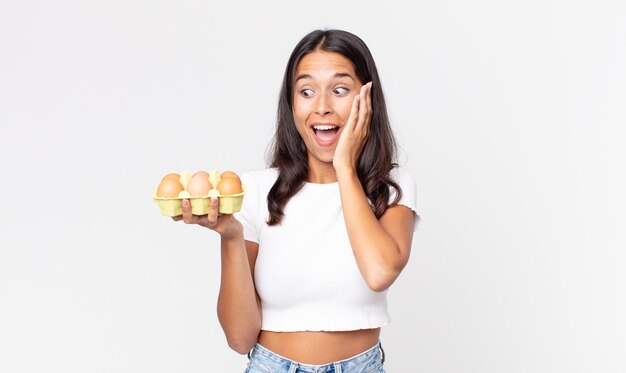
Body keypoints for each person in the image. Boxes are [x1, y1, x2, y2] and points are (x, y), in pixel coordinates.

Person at [172, 29, 419, 372]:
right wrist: (230, 236)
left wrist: (344, 167)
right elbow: (240, 339)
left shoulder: (390, 187)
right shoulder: (255, 191)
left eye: (340, 90)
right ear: (290, 104)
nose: (322, 107)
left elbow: (379, 272)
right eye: (306, 91)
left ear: (367, 99)